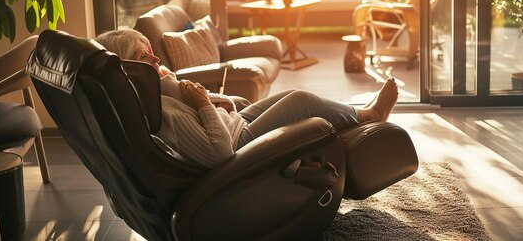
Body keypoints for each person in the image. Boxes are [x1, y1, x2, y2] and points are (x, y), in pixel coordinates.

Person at [95, 29, 399, 169]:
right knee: (303, 101)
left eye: (150, 50)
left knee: (290, 95)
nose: (155, 57)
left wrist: (219, 100)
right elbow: (219, 154)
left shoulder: (158, 91)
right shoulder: (163, 117)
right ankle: (368, 116)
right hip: (238, 141)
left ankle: (353, 115)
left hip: (233, 121)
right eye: (142, 56)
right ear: (128, 71)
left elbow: (191, 95)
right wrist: (204, 104)